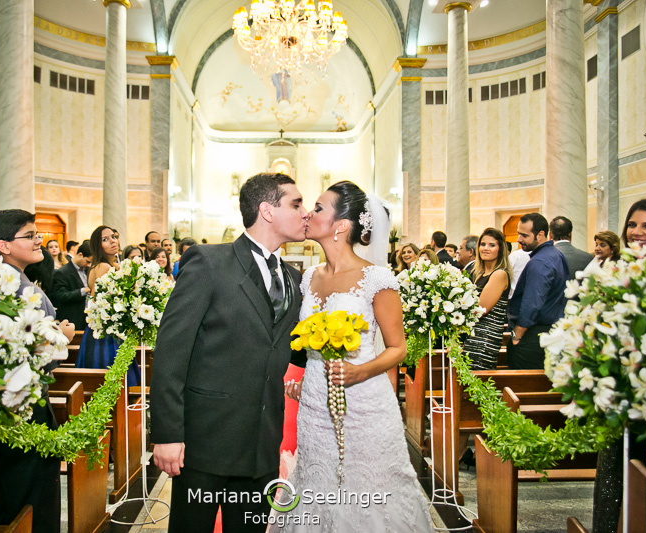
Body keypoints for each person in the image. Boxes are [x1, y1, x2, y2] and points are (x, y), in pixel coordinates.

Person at [150, 173, 307, 533]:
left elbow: (289, 348)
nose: (305, 213)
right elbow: (172, 351)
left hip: (262, 443)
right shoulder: (209, 262)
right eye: (296, 204)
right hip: (206, 439)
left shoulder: (295, 278)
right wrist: (168, 433)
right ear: (267, 210)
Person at [281, 180, 434, 531]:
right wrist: (305, 382)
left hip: (364, 404)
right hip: (315, 405)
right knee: (317, 479)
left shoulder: (377, 278)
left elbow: (398, 348)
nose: (308, 214)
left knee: (367, 487)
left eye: (318, 208)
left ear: (341, 225)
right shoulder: (309, 277)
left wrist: (360, 372)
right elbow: (307, 342)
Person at [0, 209, 75, 533]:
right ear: (3, 245)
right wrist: (62, 337)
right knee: (32, 498)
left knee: (6, 497)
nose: (39, 241)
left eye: (37, 235)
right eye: (30, 235)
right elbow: (26, 355)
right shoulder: (17, 289)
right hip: (23, 405)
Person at [76, 226, 140, 386]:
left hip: (104, 329)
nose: (112, 241)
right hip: (106, 334)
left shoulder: (106, 266)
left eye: (113, 237)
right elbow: (101, 304)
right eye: (105, 239)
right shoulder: (103, 267)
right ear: (98, 246)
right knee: (110, 382)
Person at [506, 213, 568, 370]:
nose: (519, 239)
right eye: (519, 234)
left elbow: (532, 302)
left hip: (533, 335)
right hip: (551, 332)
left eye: (524, 235)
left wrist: (516, 335)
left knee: (522, 383)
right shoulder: (556, 254)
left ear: (540, 235)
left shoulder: (540, 261)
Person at [463, 228, 512, 370]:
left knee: (477, 376)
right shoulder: (479, 274)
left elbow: (480, 309)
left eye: (492, 245)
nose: (486, 248)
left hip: (486, 337)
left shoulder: (499, 274)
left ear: (500, 249)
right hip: (473, 334)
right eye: (483, 244)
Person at [51, 241, 92, 330]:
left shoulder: (87, 270)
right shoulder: (62, 272)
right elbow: (61, 296)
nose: (88, 265)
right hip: (73, 319)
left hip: (87, 318)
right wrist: (83, 291)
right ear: (80, 255)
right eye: (87, 261)